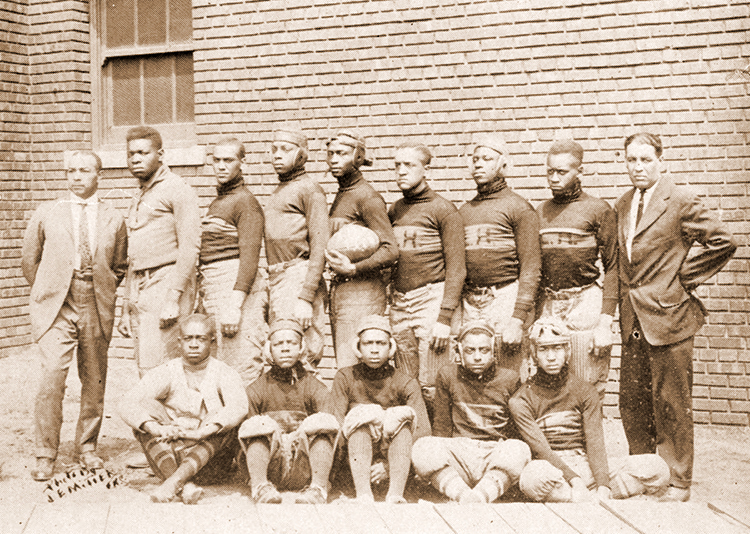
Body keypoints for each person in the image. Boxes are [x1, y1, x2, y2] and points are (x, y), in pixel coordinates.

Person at [615, 132, 736, 502]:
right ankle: (644, 473)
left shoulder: (680, 199)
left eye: (645, 160)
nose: (638, 167)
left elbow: (723, 241)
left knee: (671, 401)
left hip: (670, 318)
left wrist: (684, 277)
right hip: (634, 319)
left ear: (660, 160)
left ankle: (679, 480)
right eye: (632, 160)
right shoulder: (623, 203)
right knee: (632, 399)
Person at [21, 151, 128, 481]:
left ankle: (87, 447)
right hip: (57, 305)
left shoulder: (113, 217)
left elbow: (120, 266)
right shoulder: (47, 212)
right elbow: (29, 261)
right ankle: (45, 452)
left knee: (94, 378)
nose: (76, 176)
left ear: (99, 175)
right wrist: (51, 288)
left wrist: (98, 287)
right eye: (70, 170)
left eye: (84, 170)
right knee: (52, 376)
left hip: (95, 302)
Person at [511, 319, 670, 503]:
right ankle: (590, 498)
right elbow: (542, 451)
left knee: (657, 467)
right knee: (531, 479)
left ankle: (584, 497)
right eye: (544, 349)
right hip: (552, 468)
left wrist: (603, 484)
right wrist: (575, 481)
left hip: (584, 463)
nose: (551, 357)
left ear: (568, 352)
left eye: (557, 348)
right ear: (534, 354)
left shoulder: (585, 390)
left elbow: (595, 441)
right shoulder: (520, 399)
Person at [119, 313, 248, 504]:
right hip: (171, 454)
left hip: (209, 462)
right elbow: (126, 402)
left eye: (201, 338)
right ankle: (184, 485)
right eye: (188, 338)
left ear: (212, 342)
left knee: (223, 418)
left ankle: (175, 482)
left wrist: (201, 433)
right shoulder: (168, 370)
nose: (194, 344)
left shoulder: (224, 372)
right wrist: (157, 428)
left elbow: (239, 407)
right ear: (179, 342)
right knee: (144, 409)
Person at [411, 320, 530, 504]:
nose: (477, 357)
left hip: (493, 455)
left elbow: (515, 430)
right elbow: (441, 427)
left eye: (484, 350)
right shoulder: (448, 375)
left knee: (519, 449)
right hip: (460, 453)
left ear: (493, 352)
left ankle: (475, 497)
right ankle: (467, 496)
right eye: (470, 350)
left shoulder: (510, 378)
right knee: (423, 447)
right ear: (459, 351)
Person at [536, 140, 617, 401]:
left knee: (587, 381)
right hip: (550, 302)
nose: (554, 178)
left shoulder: (598, 209)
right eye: (550, 171)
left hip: (584, 301)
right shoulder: (541, 212)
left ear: (579, 172)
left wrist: (605, 321)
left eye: (562, 172)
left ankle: (591, 442)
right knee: (550, 380)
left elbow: (613, 267)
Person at [388, 143, 466, 413]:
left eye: (409, 165)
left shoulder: (443, 209)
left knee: (433, 383)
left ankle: (439, 442)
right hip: (400, 303)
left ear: (426, 170)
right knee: (407, 382)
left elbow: (457, 267)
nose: (401, 171)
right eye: (397, 165)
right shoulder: (395, 210)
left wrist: (444, 318)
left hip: (431, 299)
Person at [118, 126, 201, 377]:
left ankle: (170, 418)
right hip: (140, 286)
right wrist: (125, 307)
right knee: (146, 366)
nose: (135, 159)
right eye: (131, 153)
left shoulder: (177, 189)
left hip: (165, 283)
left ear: (160, 154)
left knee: (163, 368)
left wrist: (172, 298)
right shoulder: (141, 192)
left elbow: (190, 247)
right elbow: (134, 255)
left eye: (143, 152)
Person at [458, 134, 541, 378]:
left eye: (486, 158)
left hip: (504, 298)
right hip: (471, 301)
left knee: (509, 373)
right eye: (475, 159)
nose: (479, 164)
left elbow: (531, 267)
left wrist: (517, 319)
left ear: (502, 165)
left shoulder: (518, 207)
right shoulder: (464, 211)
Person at [326, 315, 430, 503]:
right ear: (358, 347)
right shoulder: (346, 377)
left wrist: (389, 466)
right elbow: (336, 423)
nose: (374, 350)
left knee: (403, 424)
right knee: (361, 423)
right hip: (355, 458)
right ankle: (363, 495)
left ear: (391, 347)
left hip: (395, 462)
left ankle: (395, 495)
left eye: (381, 343)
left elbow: (422, 431)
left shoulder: (405, 382)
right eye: (368, 343)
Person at [239, 319, 338, 504]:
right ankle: (260, 488)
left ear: (301, 348)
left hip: (304, 468)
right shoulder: (256, 389)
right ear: (269, 349)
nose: (285, 349)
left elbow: (332, 438)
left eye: (291, 343)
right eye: (278, 344)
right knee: (256, 425)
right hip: (271, 468)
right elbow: (245, 444)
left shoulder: (315, 387)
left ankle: (318, 489)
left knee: (323, 423)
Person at [325, 131, 399, 368]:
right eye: (331, 154)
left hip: (363, 292)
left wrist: (354, 268)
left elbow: (390, 250)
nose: (334, 159)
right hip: (342, 289)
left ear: (358, 157)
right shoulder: (343, 193)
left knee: (357, 366)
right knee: (346, 368)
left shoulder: (367, 196)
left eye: (342, 154)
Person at [199, 138, 266, 386]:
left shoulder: (246, 202)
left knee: (241, 364)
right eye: (216, 160)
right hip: (215, 285)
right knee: (222, 366)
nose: (221, 166)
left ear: (242, 163)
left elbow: (250, 259)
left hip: (235, 287)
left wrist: (234, 305)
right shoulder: (219, 202)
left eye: (228, 160)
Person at [264, 128, 329, 365]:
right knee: (281, 352)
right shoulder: (281, 189)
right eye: (274, 149)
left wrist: (306, 296)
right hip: (278, 277)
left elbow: (320, 245)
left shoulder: (310, 189)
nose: (277, 155)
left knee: (302, 353)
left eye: (286, 149)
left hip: (298, 276)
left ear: (301, 155)